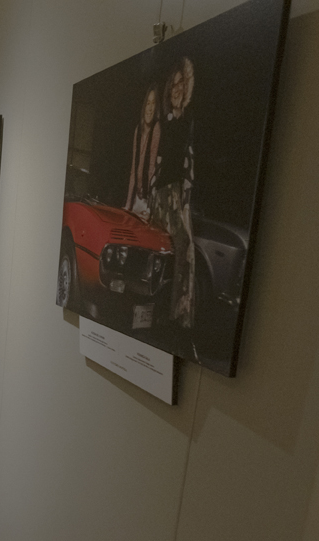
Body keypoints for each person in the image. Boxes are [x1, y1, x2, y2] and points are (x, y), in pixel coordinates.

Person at [150, 57, 196, 335]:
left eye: (182, 84)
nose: (177, 89)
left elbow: (189, 167)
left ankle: (177, 314)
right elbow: (156, 162)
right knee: (166, 246)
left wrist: (186, 203)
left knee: (185, 247)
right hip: (162, 195)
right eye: (174, 85)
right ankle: (160, 310)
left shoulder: (188, 123)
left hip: (179, 195)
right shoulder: (165, 125)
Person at [125, 85, 161, 219]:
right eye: (148, 103)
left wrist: (150, 207)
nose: (150, 108)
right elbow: (134, 169)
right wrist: (128, 204)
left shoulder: (156, 128)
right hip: (137, 198)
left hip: (148, 200)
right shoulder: (138, 130)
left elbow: (152, 169)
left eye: (153, 104)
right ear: (144, 106)